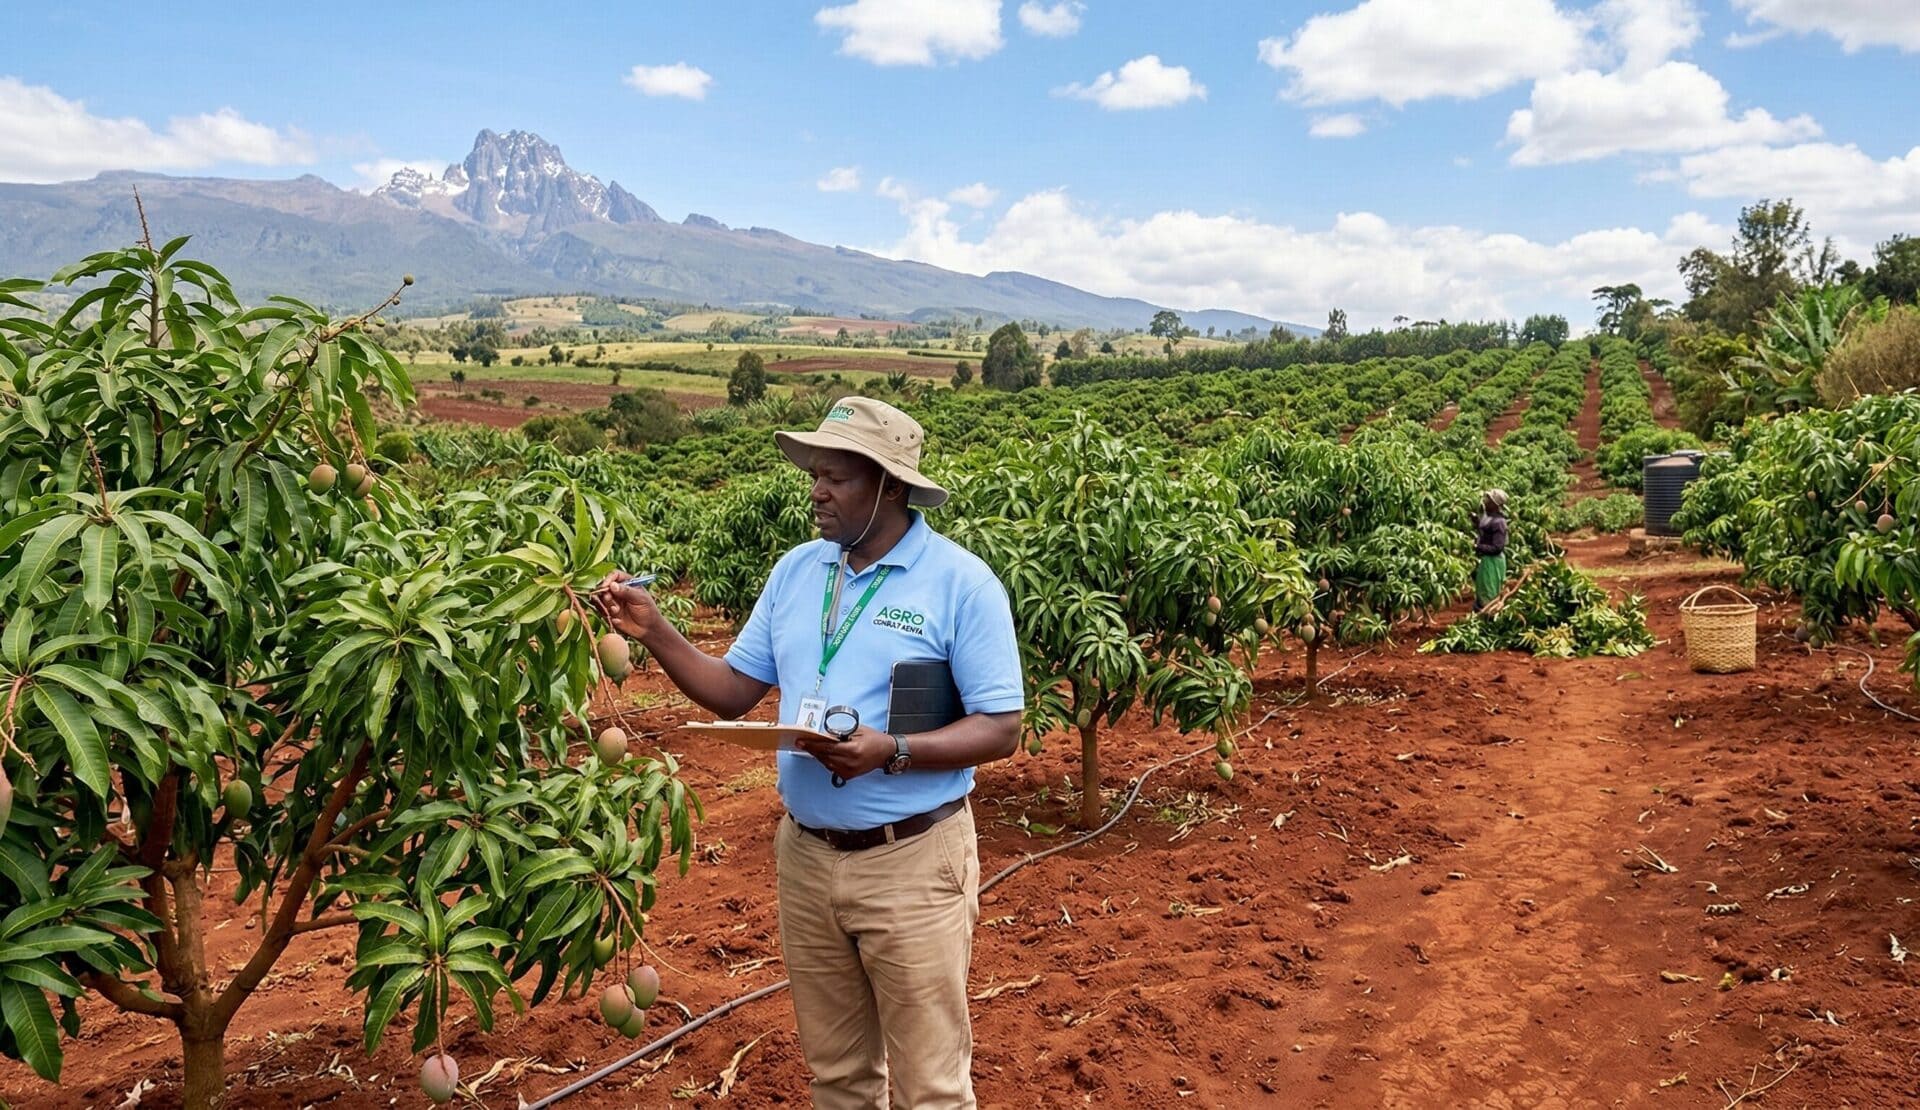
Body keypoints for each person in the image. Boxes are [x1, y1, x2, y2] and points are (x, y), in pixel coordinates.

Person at [596, 396, 1023, 1109]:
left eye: (837, 478)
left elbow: (1001, 727)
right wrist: (656, 630)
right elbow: (734, 691)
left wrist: (894, 750)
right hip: (807, 857)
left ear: (889, 487)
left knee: (931, 1088)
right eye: (814, 475)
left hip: (911, 862)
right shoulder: (797, 572)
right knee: (839, 1078)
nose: (817, 492)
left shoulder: (961, 584)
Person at [1473, 489, 1510, 611]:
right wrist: (1476, 522)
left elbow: (1497, 548)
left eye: (1488, 500)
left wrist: (1477, 547)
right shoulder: (1488, 517)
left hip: (1493, 561)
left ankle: (1489, 617)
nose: (1485, 502)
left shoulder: (1499, 522)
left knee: (1489, 591)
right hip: (1487, 560)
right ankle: (1482, 614)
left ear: (1495, 504)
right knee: (1483, 589)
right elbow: (1485, 532)